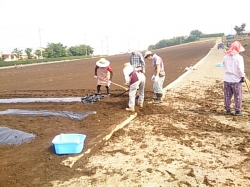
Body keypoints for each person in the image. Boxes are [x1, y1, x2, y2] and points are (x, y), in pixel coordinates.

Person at [223, 41, 245, 116]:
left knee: (227, 96)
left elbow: (224, 65)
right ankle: (238, 111)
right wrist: (242, 76)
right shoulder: (239, 58)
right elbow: (240, 68)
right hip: (236, 80)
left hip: (227, 79)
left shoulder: (225, 57)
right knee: (238, 95)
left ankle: (228, 110)